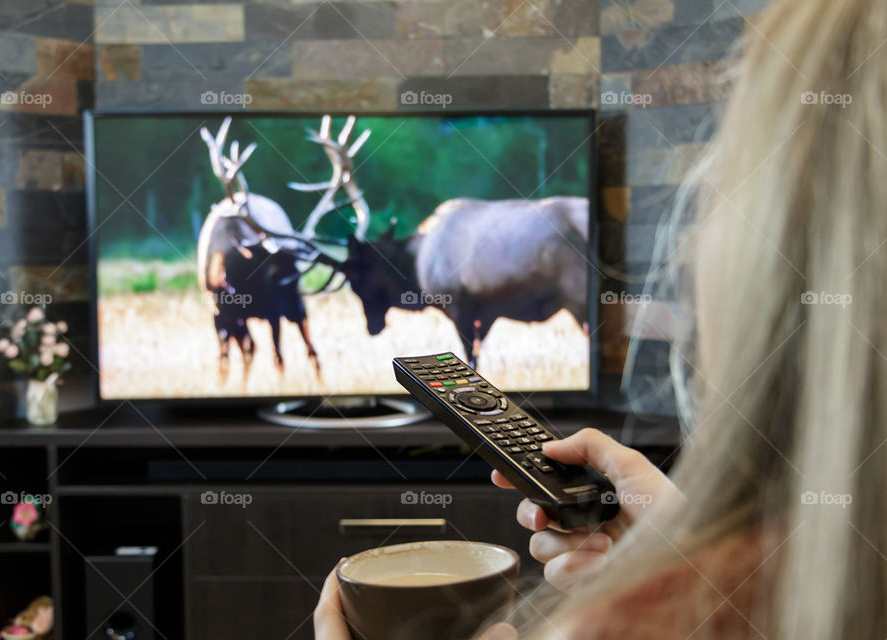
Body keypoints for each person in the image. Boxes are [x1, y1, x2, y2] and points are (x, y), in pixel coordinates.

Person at [316, 0, 887, 636]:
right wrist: (672, 541)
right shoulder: (814, 574)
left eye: (724, 184)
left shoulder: (632, 624)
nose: (688, 244)